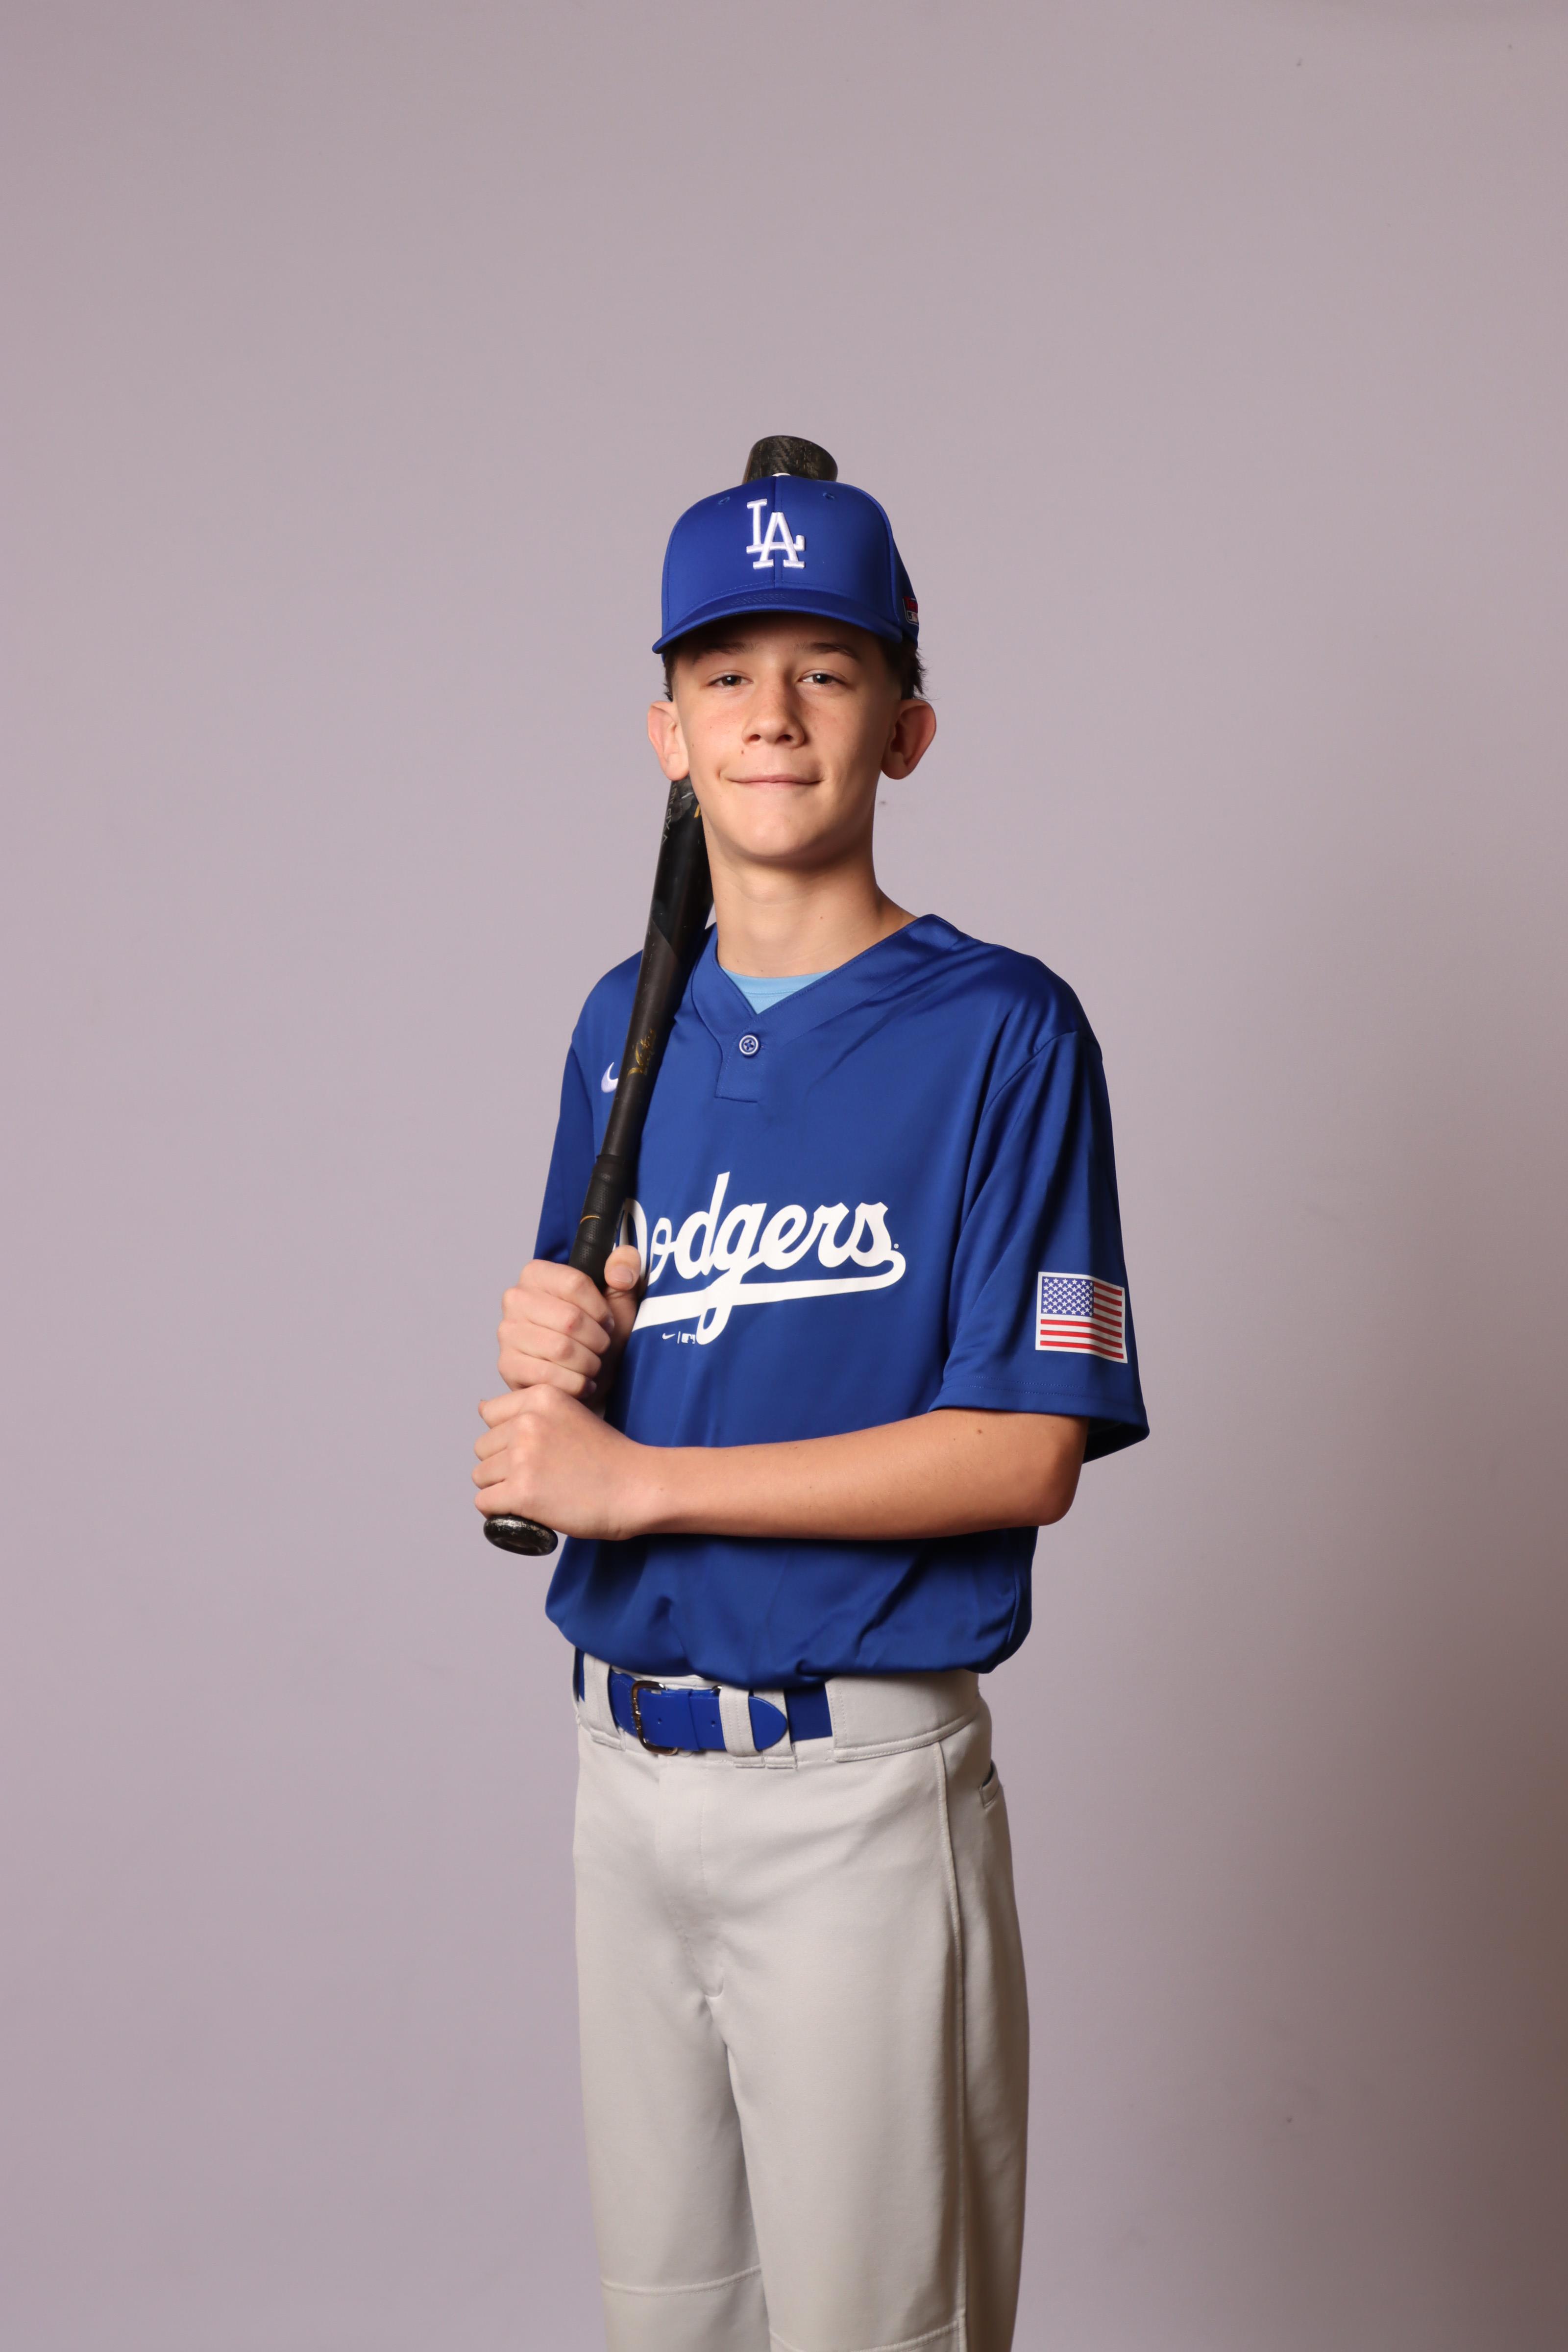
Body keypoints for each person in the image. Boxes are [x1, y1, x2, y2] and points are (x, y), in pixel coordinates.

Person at [472, 441, 1148, 2352]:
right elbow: (593, 1391)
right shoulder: (622, 1027)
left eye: (826, 671)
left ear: (904, 728)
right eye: (726, 673)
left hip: (854, 1790)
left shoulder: (1002, 1028)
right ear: (667, 735)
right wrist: (553, 1368)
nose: (772, 713)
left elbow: (1021, 1451)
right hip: (621, 1778)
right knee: (670, 2322)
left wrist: (632, 1485)